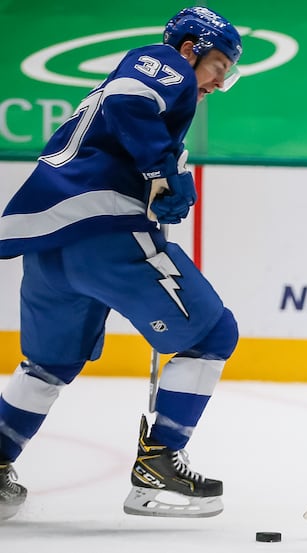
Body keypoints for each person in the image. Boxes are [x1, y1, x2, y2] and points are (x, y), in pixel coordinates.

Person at [0, 7, 243, 520]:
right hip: (104, 234)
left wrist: (166, 171)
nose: (219, 81)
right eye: (217, 64)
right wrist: (161, 167)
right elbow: (128, 100)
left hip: (51, 243)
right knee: (212, 334)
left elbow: (123, 119)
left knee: (48, 365)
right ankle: (159, 466)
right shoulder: (162, 61)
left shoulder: (151, 88)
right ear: (188, 48)